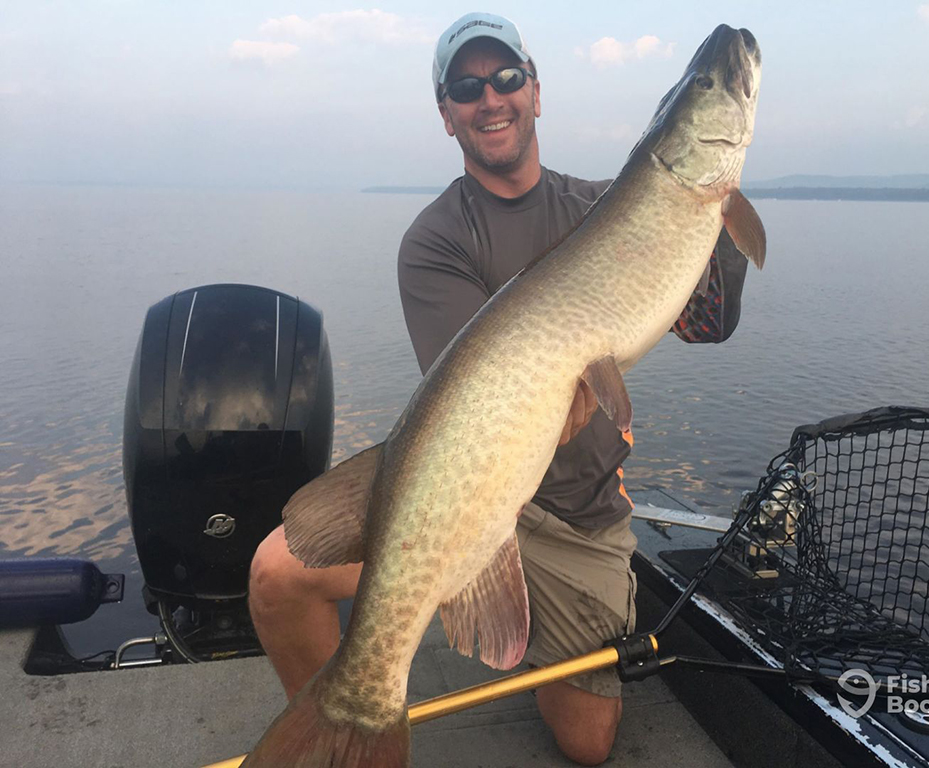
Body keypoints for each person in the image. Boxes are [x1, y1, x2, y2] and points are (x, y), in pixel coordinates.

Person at [248, 12, 748, 766]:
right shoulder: (436, 240)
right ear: (446, 114)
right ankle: (343, 719)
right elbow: (470, 411)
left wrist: (717, 209)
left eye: (507, 78)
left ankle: (527, 643)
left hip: (578, 517)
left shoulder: (606, 203)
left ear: (536, 93)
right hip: (474, 499)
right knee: (277, 573)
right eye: (467, 86)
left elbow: (707, 323)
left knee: (587, 744)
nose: (492, 98)